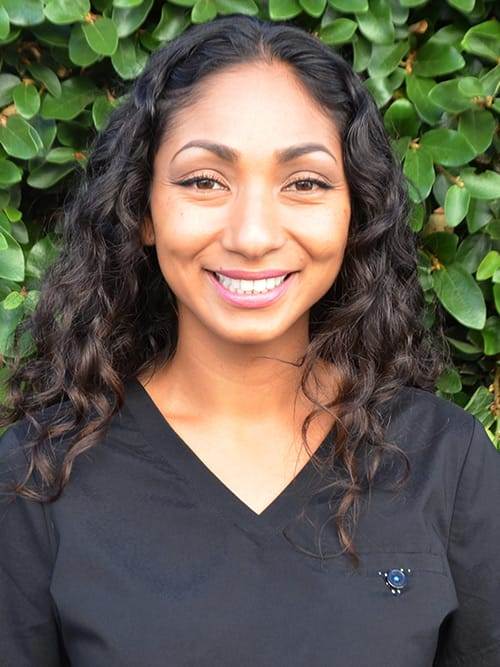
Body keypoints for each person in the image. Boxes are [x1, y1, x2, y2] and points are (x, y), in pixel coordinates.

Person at [1, 14, 499, 667]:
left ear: (355, 212)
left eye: (305, 183)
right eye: (205, 180)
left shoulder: (448, 464)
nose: (254, 234)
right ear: (143, 210)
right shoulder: (38, 477)